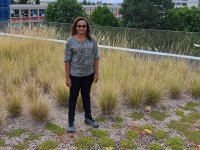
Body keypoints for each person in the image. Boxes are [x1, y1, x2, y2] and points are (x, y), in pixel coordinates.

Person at [64, 17, 100, 132]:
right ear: (75, 27)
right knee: (73, 98)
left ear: (87, 27)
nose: (81, 28)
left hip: (88, 74)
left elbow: (96, 57)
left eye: (83, 26)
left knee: (86, 96)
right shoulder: (70, 41)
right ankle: (70, 122)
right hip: (74, 75)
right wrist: (67, 76)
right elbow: (67, 60)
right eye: (79, 26)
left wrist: (96, 73)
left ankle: (88, 118)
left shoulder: (92, 40)